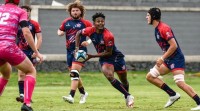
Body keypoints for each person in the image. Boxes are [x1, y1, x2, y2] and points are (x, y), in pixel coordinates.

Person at [75, 12, 134, 108]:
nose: (100, 23)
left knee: (124, 81)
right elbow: (78, 33)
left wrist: (92, 56)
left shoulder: (108, 35)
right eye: (98, 21)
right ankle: (128, 96)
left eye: (102, 21)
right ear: (94, 23)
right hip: (105, 59)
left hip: (116, 57)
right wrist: (76, 48)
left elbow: (109, 52)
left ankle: (126, 97)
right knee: (109, 76)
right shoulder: (90, 30)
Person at [145, 7, 200, 110]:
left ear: (154, 17)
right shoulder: (156, 29)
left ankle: (199, 102)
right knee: (150, 76)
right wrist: (164, 58)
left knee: (179, 82)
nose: (146, 17)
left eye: (148, 15)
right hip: (168, 60)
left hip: (176, 59)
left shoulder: (163, 28)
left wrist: (162, 58)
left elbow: (173, 46)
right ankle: (173, 95)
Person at [0, 0, 43, 111]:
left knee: (6, 73)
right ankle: (27, 104)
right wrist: (36, 51)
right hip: (8, 47)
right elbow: (26, 32)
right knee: (31, 70)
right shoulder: (20, 11)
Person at [57, 1, 92, 104]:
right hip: (69, 51)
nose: (75, 12)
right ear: (70, 12)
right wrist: (61, 33)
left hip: (80, 51)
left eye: (77, 10)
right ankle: (83, 93)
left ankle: (71, 96)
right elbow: (59, 31)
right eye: (73, 10)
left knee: (74, 73)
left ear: (81, 12)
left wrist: (88, 41)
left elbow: (93, 36)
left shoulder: (86, 23)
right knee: (74, 74)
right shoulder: (66, 22)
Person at [16, 5, 43, 103]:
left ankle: (27, 95)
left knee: (31, 73)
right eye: (23, 11)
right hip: (20, 51)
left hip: (31, 52)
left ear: (29, 12)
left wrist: (37, 51)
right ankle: (22, 95)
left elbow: (39, 38)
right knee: (21, 73)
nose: (25, 13)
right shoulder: (17, 23)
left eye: (27, 11)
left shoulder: (34, 24)